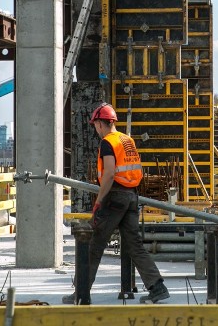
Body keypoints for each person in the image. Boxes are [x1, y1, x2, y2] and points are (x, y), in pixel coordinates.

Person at [63, 103, 170, 304]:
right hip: (131, 196)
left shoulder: (107, 142)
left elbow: (110, 173)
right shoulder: (127, 140)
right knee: (133, 244)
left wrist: (99, 201)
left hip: (115, 197)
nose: (95, 129)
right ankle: (157, 287)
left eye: (95, 125)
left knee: (93, 243)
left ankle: (80, 293)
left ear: (101, 123)